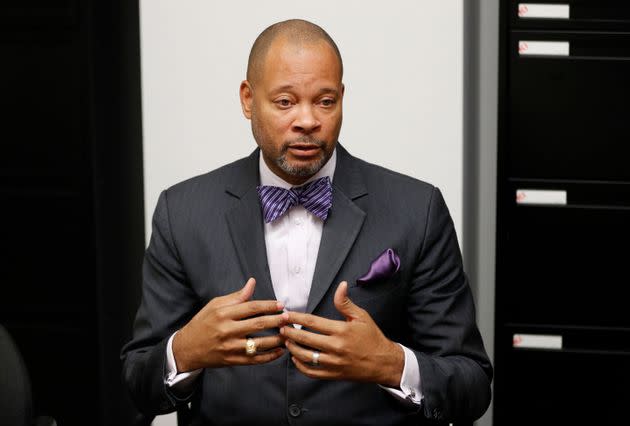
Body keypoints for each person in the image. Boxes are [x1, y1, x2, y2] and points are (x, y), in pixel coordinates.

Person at [121, 19, 492, 425]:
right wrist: (185, 351)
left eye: (325, 101)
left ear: (342, 99)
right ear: (248, 99)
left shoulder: (416, 209)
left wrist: (391, 363)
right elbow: (139, 384)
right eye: (285, 102)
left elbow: (472, 386)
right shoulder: (183, 212)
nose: (307, 121)